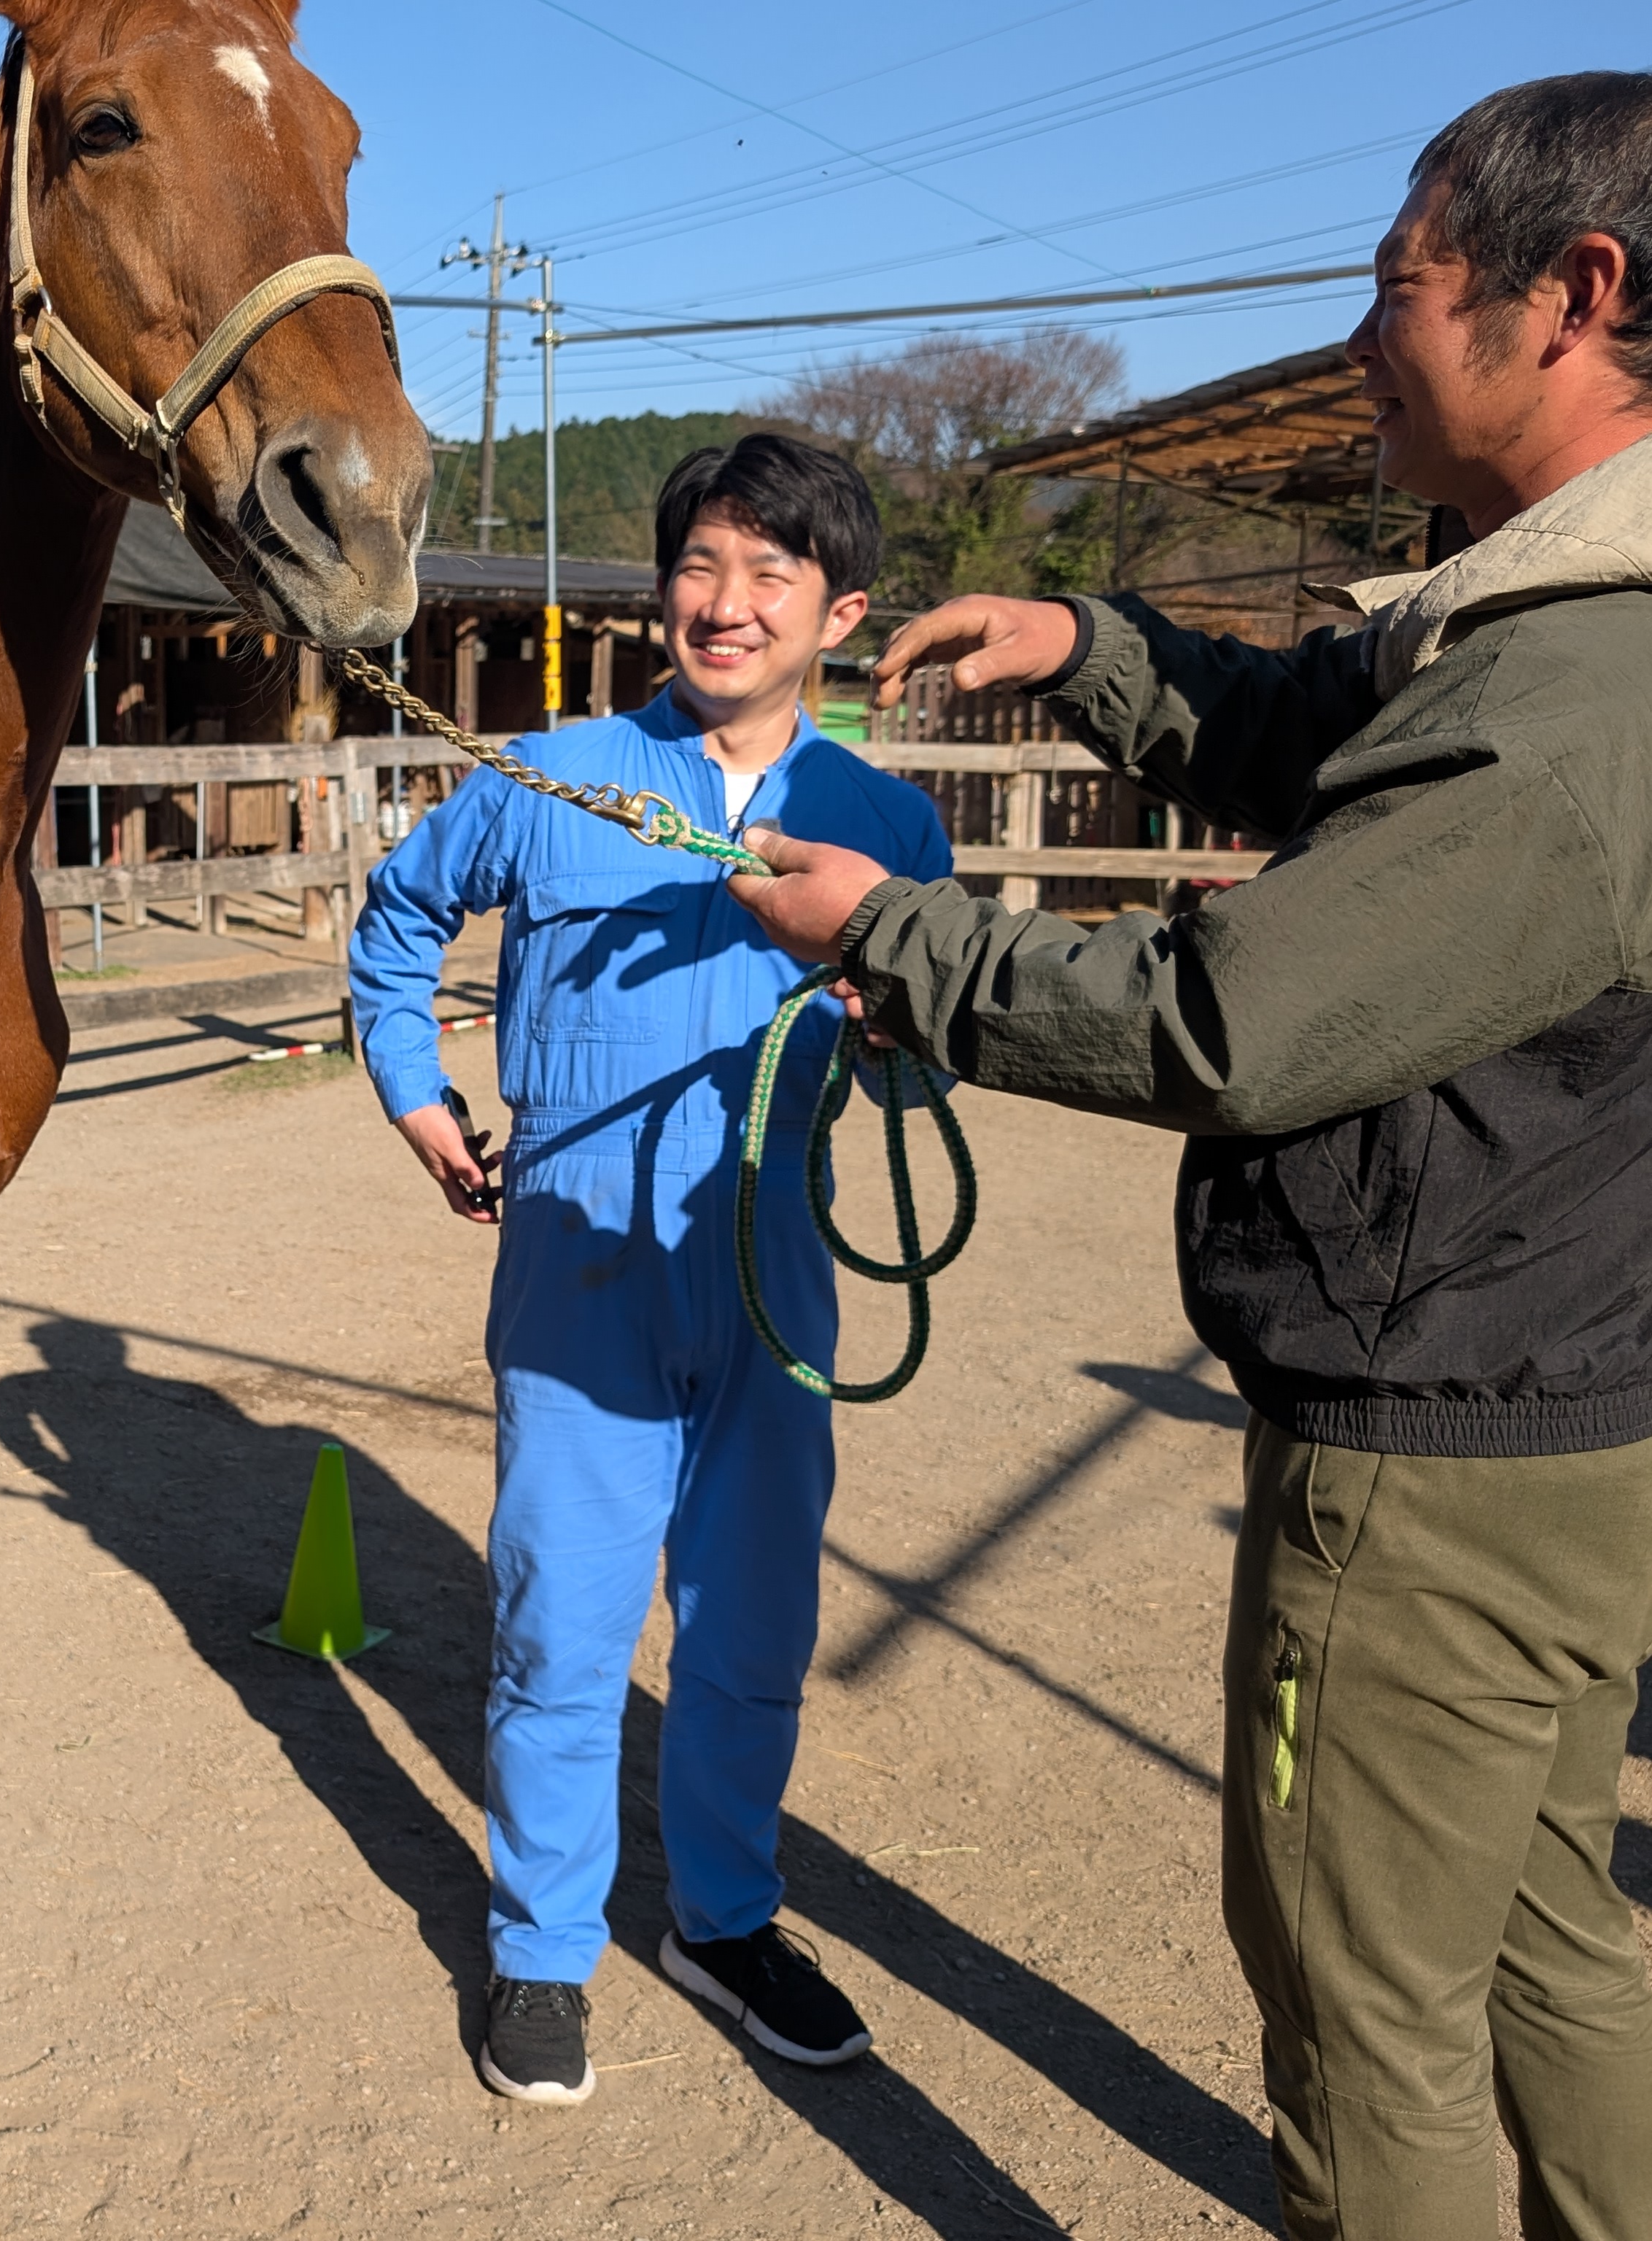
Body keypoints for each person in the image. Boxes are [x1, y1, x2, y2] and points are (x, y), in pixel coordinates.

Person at [725, 73, 1652, 2241]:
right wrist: (1087, 647)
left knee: (1363, 2009)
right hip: (1568, 1396)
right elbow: (1307, 731)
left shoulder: (1573, 712)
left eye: (1402, 288)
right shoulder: (1530, 624)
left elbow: (1221, 1022)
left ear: (1574, 294)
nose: (1362, 339)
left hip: (1437, 1456)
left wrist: (897, 936)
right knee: (1543, 1935)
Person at [349, 433, 953, 2105]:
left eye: (771, 573)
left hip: (775, 1276)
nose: (728, 602)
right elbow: (398, 921)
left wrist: (892, 1029)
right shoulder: (550, 777)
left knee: (753, 1629)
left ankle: (725, 1917)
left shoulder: (886, 822)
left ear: (838, 608)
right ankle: (542, 1948)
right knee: (561, 1621)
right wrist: (415, 1094)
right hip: (581, 1275)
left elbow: (934, 1056)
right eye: (701, 565)